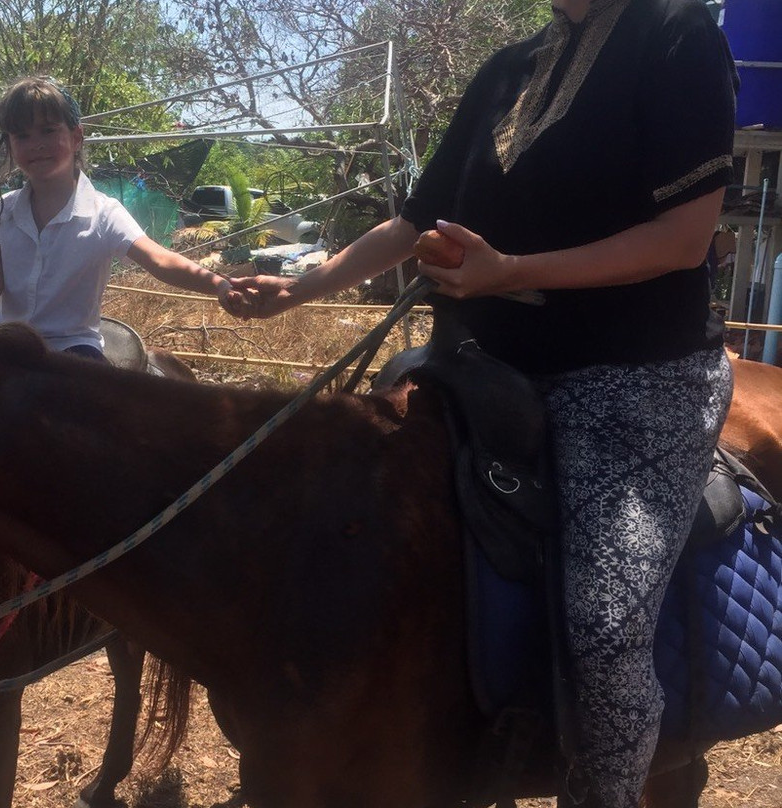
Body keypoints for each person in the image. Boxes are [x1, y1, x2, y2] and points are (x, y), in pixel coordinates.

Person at [227, 0, 738, 805]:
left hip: (634, 377)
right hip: (483, 368)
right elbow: (412, 224)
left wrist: (513, 271)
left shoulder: (678, 37)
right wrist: (298, 289)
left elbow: (681, 239)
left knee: (604, 634)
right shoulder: (506, 71)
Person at [0, 77, 247, 358]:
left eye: (48, 131)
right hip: (6, 341)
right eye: (22, 136)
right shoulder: (5, 208)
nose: (36, 144)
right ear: (10, 145)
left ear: (76, 137)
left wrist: (220, 285)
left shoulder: (105, 214)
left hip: (73, 346)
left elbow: (159, 259)